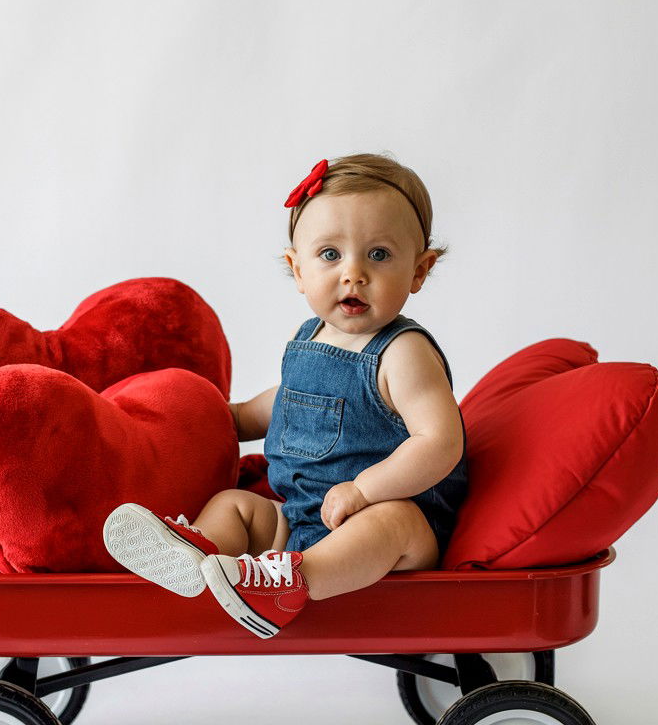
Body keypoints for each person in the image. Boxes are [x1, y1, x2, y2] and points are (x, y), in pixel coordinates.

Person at [103, 152, 469, 639]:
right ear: (298, 270)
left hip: (390, 529)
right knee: (237, 504)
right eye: (330, 255)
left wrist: (366, 491)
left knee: (391, 522)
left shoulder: (404, 353)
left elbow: (439, 441)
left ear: (420, 271)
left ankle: (285, 586)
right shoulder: (311, 336)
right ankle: (197, 559)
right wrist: (232, 419)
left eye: (379, 254)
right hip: (298, 520)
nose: (353, 273)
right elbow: (292, 399)